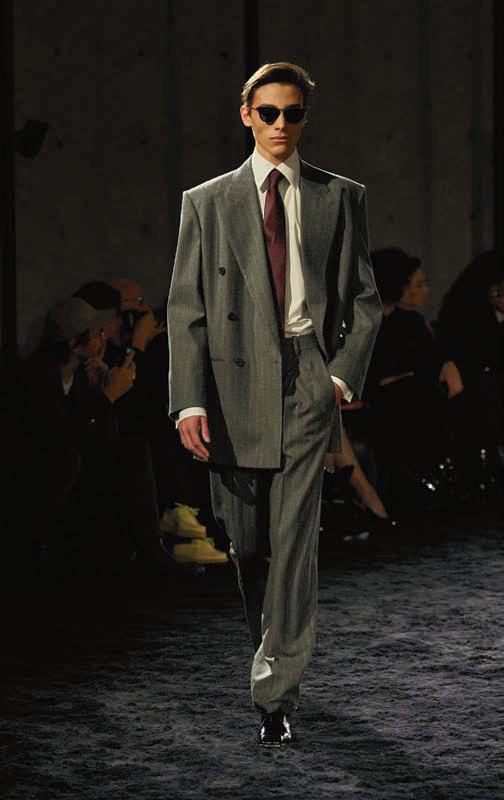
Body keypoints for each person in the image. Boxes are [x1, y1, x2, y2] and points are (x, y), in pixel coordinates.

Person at [167, 62, 381, 747]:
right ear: (246, 115)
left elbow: (365, 299)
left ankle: (275, 694)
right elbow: (186, 309)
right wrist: (187, 402)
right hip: (232, 390)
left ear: (305, 117)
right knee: (248, 545)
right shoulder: (206, 202)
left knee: (294, 543)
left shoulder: (338, 196)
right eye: (268, 112)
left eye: (292, 112)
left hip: (306, 378)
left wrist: (338, 379)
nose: (280, 124)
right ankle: (270, 649)